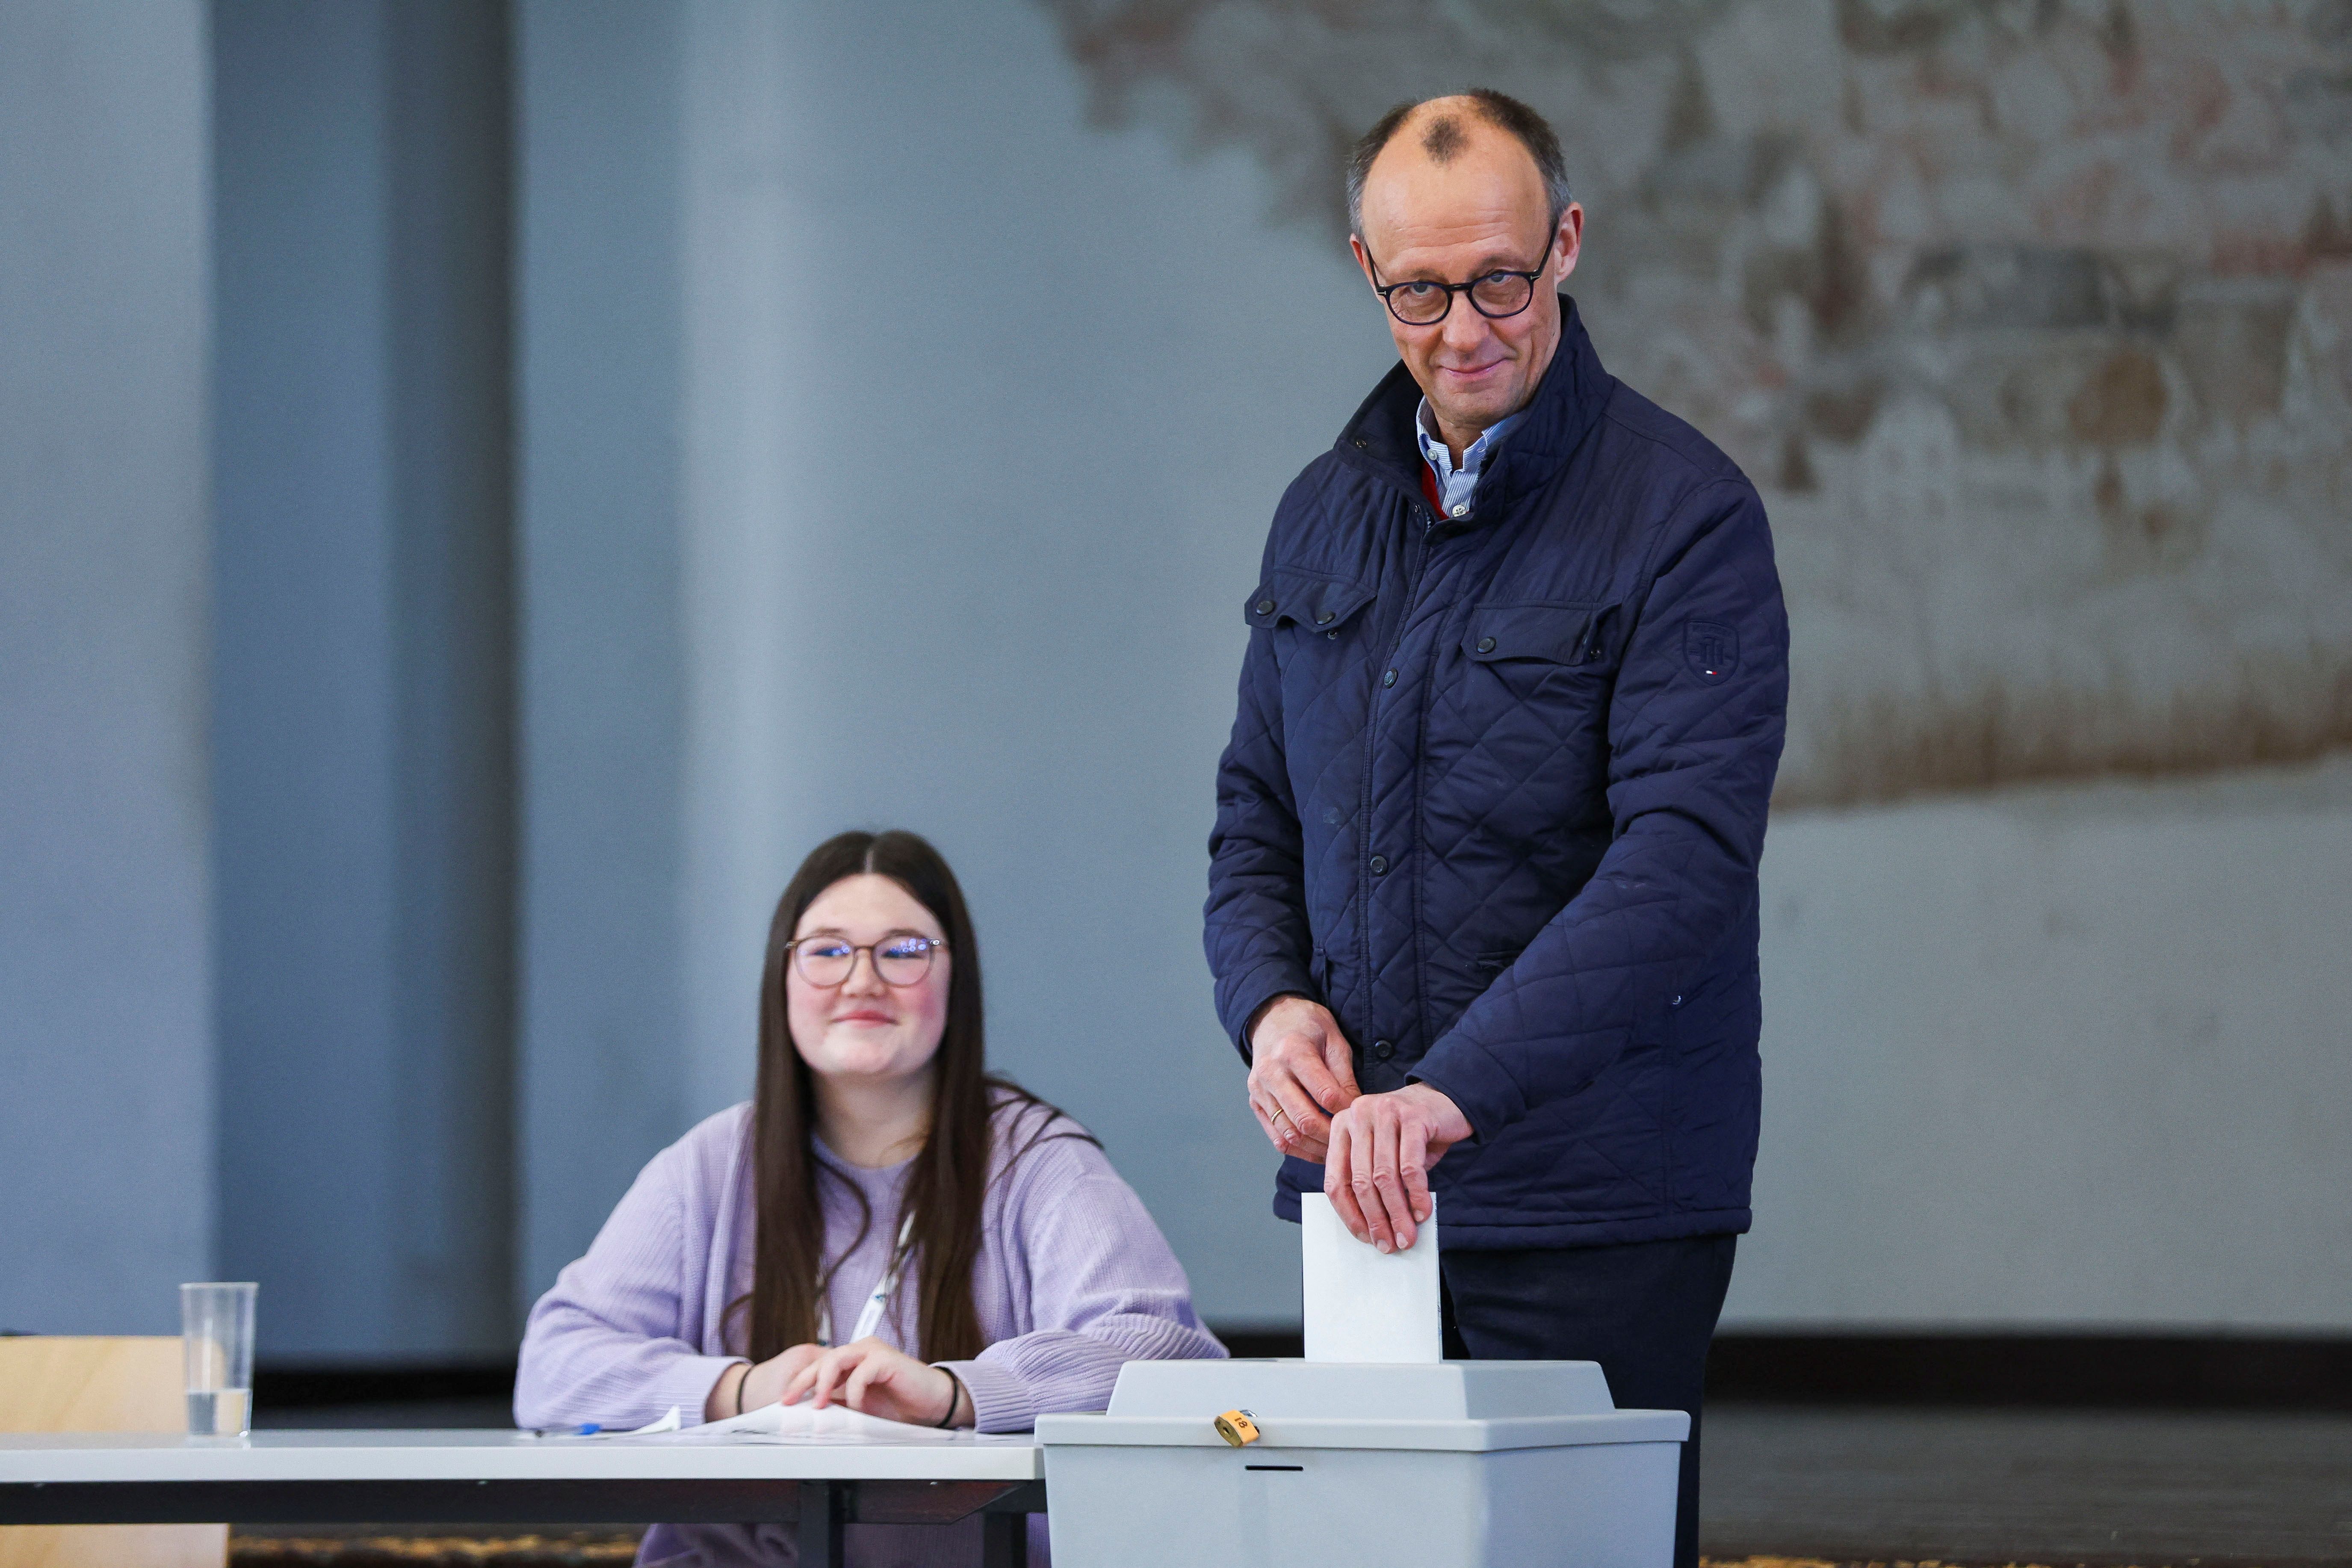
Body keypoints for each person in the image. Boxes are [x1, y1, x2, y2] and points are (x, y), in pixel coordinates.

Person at [1203, 89, 1788, 1568]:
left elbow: (1683, 865)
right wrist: (1268, 1009)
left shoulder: (1684, 516)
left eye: (1501, 280)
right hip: (1367, 1200)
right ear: (1365, 270)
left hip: (1601, 1200)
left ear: (1568, 244)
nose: (1463, 327)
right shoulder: (1319, 516)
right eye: (1419, 288)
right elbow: (1255, 817)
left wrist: (1450, 1090)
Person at [520, 828, 1223, 1567]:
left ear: (958, 979)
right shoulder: (712, 1165)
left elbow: (1165, 1355)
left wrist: (957, 1394)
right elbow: (555, 1365)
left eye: (903, 951)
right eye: (826, 951)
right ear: (781, 980)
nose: (861, 981)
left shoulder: (1037, 1161)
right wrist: (743, 1388)